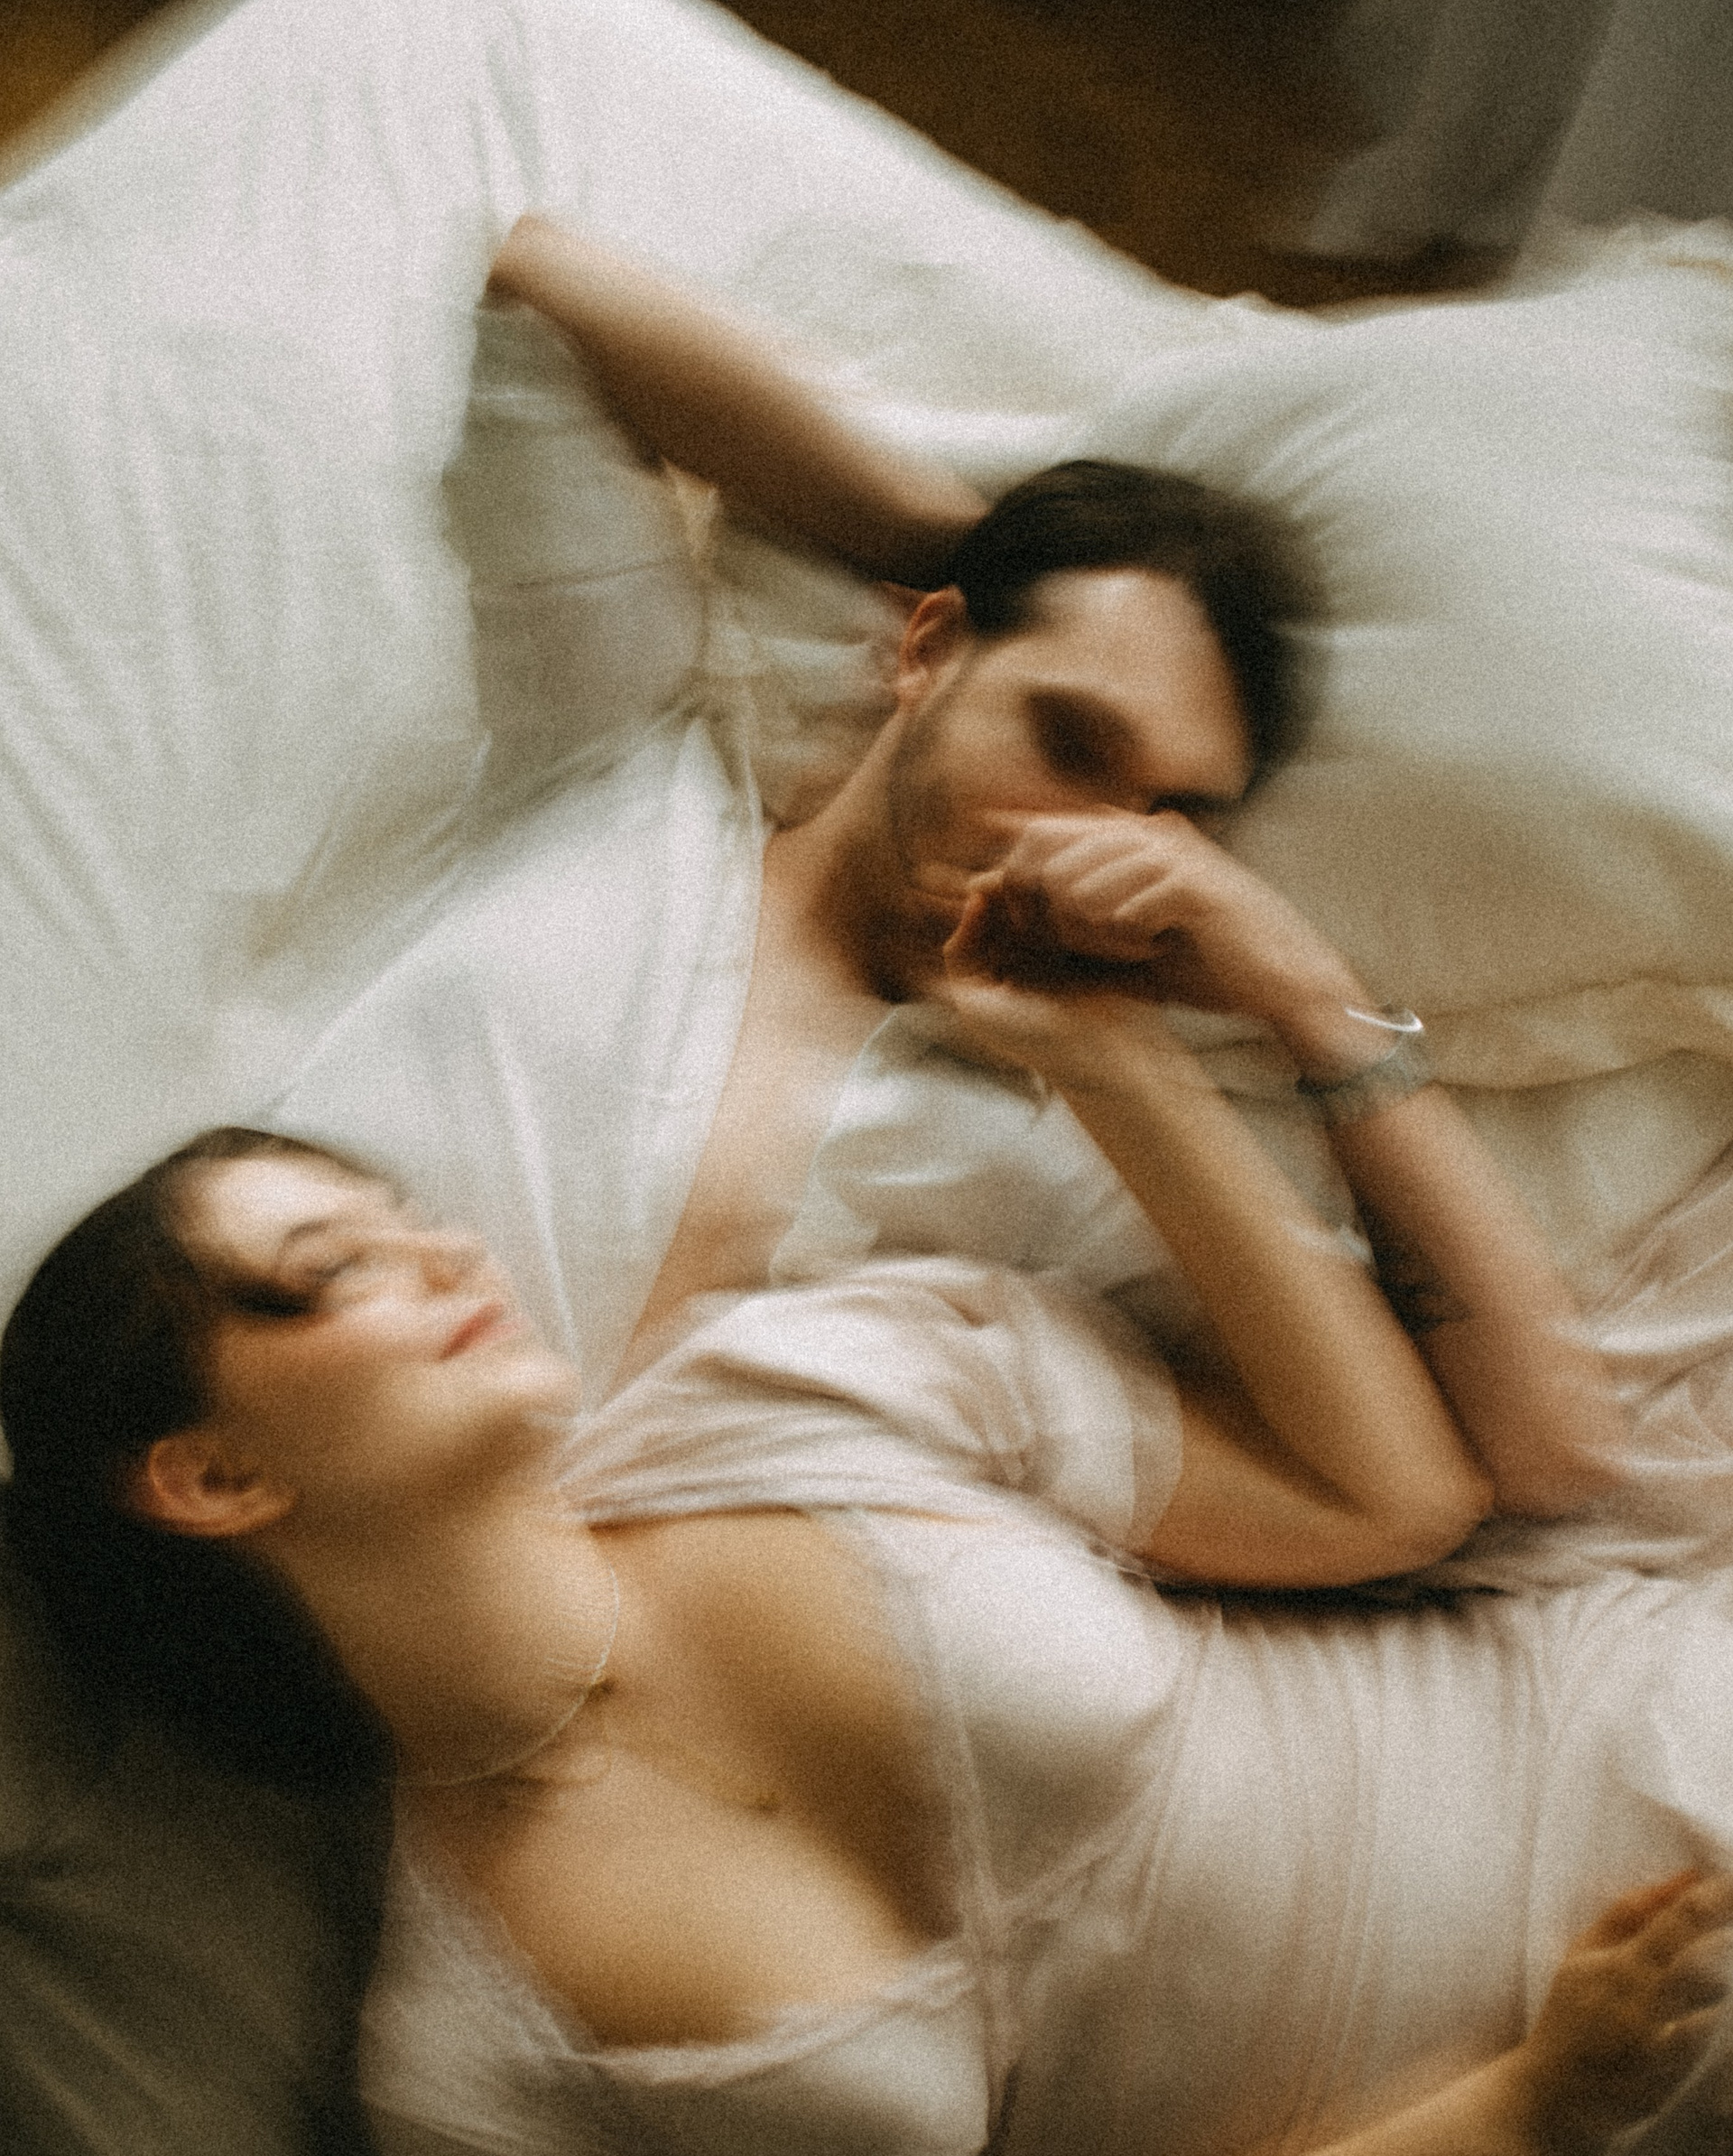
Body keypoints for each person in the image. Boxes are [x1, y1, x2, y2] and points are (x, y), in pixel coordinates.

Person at [5, 882, 1728, 2156]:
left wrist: (1110, 1063)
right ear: (212, 1476)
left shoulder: (792, 1392)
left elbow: (1388, 1497)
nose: (449, 1254)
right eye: (331, 1273)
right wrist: (1518, 2118)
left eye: (411, 1219)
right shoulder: (472, 2084)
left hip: (1646, 1797)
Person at [275, 214, 1621, 1539]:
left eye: (1167, 818)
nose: (1088, 841)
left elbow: (1523, 1462)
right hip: (216, 1423)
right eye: (1068, 740)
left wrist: (1311, 1002)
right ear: (925, 652)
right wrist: (944, 535)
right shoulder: (622, 763)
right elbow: (541, 291)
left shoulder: (1060, 1139)